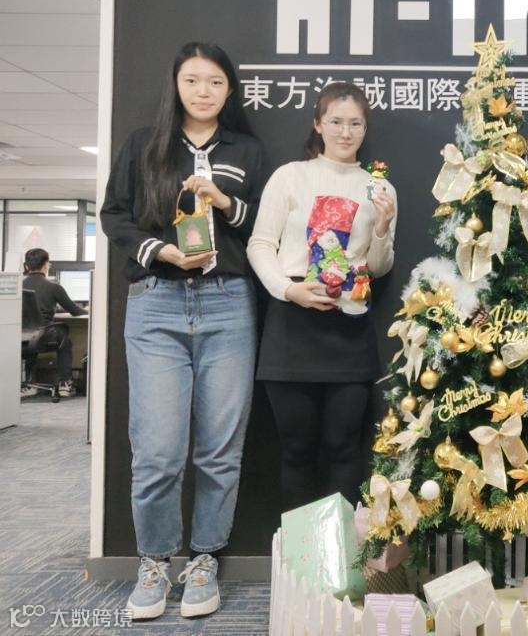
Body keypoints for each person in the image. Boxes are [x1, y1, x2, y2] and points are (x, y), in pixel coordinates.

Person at [101, 41, 264, 621]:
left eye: (215, 82)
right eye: (193, 80)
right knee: (158, 451)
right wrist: (161, 251)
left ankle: (204, 560)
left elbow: (266, 223)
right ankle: (154, 562)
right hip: (156, 304)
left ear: (229, 90)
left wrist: (226, 202)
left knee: (219, 450)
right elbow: (114, 214)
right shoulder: (143, 144)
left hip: (227, 304)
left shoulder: (246, 150)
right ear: (176, 84)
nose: (203, 91)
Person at [247, 81, 396, 512]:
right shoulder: (290, 176)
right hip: (292, 324)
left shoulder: (379, 188)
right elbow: (260, 245)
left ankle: (341, 552)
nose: (345, 132)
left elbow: (378, 267)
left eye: (355, 124)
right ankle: (300, 553)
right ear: (318, 123)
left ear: (365, 128)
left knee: (345, 447)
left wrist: (382, 228)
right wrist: (288, 289)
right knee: (296, 451)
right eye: (336, 121)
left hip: (348, 325)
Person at [22, 248, 87, 386]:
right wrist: (89, 310)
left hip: (21, 339)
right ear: (46, 265)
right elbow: (75, 311)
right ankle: (65, 383)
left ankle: (28, 382)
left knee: (33, 337)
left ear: (27, 266)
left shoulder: (18, 286)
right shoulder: (53, 287)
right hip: (43, 338)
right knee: (66, 341)